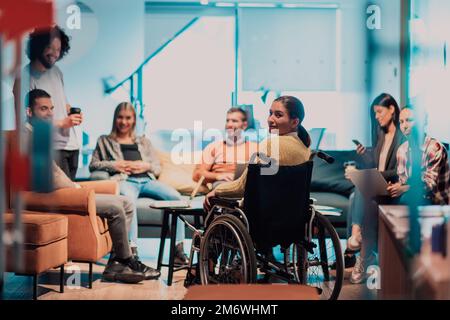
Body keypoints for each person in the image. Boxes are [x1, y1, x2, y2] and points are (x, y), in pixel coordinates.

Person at [25, 89, 160, 283]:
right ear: (29, 112)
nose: (50, 113)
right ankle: (126, 261)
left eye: (52, 108)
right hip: (46, 194)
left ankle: (116, 263)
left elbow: (54, 171)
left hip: (62, 190)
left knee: (126, 203)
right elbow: (50, 176)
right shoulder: (26, 136)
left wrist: (74, 186)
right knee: (115, 207)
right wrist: (76, 188)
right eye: (43, 109)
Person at [89, 102, 189, 266]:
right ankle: (132, 252)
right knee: (129, 202)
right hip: (125, 180)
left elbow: (157, 167)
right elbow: (93, 165)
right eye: (120, 117)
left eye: (128, 118)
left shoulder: (144, 141)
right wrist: (115, 165)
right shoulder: (104, 140)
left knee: (176, 197)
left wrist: (146, 166)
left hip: (147, 180)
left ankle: (178, 251)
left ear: (134, 120)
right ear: (115, 119)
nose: (124, 122)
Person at [204, 95, 311, 205]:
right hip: (292, 210)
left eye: (278, 115)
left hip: (265, 210)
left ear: (294, 122)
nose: (270, 119)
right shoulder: (305, 147)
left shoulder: (270, 144)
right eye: (270, 113)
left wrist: (217, 191)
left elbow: (243, 186)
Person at [344, 93, 405, 284]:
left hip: (392, 186)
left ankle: (357, 243)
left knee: (361, 191)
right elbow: (376, 166)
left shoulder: (402, 138)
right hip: (379, 185)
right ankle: (358, 238)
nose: (377, 117)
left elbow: (397, 170)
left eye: (379, 112)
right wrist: (364, 158)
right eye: (375, 114)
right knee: (356, 194)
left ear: (392, 110)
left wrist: (374, 176)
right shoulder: (379, 135)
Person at [14, 25, 82, 180]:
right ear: (38, 47)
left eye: (58, 50)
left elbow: (63, 103)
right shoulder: (24, 78)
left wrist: (72, 112)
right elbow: (25, 124)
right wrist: (62, 123)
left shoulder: (57, 71)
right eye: (50, 48)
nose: (55, 54)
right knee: (63, 199)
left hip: (71, 145)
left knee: (72, 200)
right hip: (50, 149)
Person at [387, 106, 449, 204]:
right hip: (414, 201)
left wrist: (403, 189)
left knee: (405, 199)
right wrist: (395, 187)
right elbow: (404, 182)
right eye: (401, 122)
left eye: (409, 120)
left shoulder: (434, 148)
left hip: (437, 204)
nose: (404, 126)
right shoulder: (401, 151)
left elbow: (429, 185)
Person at [193, 108, 257, 189]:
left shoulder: (255, 148)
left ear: (244, 125)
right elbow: (197, 174)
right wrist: (218, 176)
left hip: (248, 185)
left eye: (234, 121)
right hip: (223, 185)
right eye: (227, 120)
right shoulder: (214, 147)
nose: (229, 125)